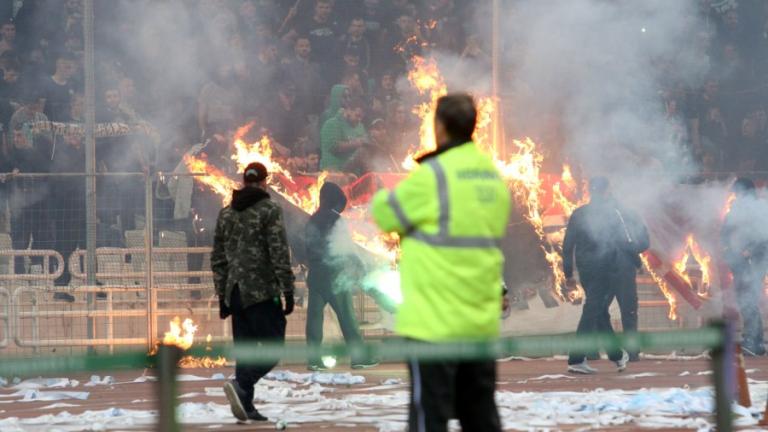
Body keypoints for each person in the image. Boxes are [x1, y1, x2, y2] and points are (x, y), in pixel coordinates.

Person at [372, 93, 510, 432]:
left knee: (428, 416)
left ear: (439, 126)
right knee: (480, 417)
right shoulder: (493, 178)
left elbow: (386, 215)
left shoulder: (432, 175)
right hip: (478, 323)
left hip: (433, 324)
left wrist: (380, 193)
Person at [211, 162, 295, 422]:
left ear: (243, 181)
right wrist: (288, 289)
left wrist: (222, 296)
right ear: (265, 182)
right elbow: (279, 251)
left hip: (235, 292)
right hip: (261, 291)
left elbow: (218, 258)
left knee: (246, 350)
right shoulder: (269, 209)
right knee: (274, 347)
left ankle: (245, 405)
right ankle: (242, 385)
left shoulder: (226, 213)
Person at [562, 177, 648, 374]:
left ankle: (616, 355)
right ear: (607, 190)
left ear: (590, 191)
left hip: (585, 270)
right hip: (605, 268)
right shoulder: (613, 213)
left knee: (599, 310)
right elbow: (624, 242)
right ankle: (576, 358)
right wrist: (637, 262)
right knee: (593, 310)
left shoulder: (578, 213)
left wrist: (568, 273)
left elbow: (567, 246)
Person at [305, 182, 378, 370]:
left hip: (315, 274)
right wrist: (360, 264)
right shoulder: (336, 221)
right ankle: (359, 357)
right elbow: (346, 248)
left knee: (314, 318)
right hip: (335, 276)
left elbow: (305, 247)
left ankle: (313, 360)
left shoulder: (312, 220)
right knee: (347, 317)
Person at [722, 178, 768, 356]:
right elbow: (724, 233)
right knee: (744, 298)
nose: (736, 196)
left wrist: (750, 250)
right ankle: (755, 342)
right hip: (738, 261)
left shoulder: (760, 209)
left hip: (756, 260)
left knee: (749, 297)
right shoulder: (735, 210)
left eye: (738, 192)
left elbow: (764, 237)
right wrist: (729, 251)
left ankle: (752, 339)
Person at [320, 97, 368, 172]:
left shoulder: (360, 127)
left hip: (354, 174)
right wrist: (356, 144)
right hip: (334, 173)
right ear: (348, 110)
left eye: (361, 117)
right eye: (357, 115)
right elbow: (334, 146)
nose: (359, 120)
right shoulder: (332, 124)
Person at [41, 54, 79, 122]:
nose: (70, 71)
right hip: (48, 127)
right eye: (67, 67)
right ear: (58, 65)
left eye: (72, 68)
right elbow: (39, 110)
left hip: (66, 127)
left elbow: (73, 109)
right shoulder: (45, 83)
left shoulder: (72, 85)